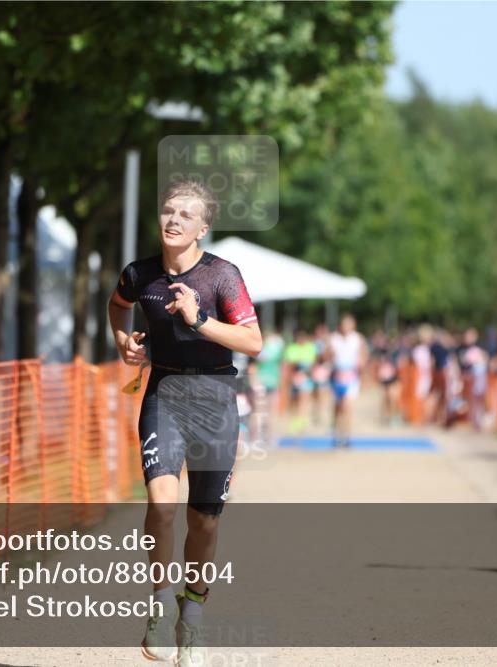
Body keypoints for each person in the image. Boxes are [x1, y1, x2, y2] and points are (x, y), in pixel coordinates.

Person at [109, 179, 262, 664]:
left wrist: (198, 321)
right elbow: (117, 303)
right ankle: (158, 599)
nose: (173, 220)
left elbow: (253, 341)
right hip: (165, 394)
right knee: (162, 506)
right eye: (168, 211)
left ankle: (191, 614)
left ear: (203, 228)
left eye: (186, 215)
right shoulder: (140, 274)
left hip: (215, 399)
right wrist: (122, 341)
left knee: (205, 520)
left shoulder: (222, 277)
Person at [326, 314, 368, 446]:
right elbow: (325, 356)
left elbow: (364, 355)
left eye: (349, 324)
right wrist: (329, 356)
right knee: (338, 408)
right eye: (344, 324)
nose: (346, 327)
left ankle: (347, 436)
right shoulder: (333, 338)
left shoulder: (358, 339)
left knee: (347, 407)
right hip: (336, 377)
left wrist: (362, 366)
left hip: (351, 377)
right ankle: (336, 434)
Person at [283, 330, 317, 433]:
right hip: (294, 379)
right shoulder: (292, 348)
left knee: (303, 401)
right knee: (294, 402)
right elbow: (289, 364)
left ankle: (301, 423)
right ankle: (295, 422)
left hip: (305, 379)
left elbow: (312, 364)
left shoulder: (310, 348)